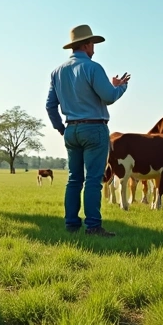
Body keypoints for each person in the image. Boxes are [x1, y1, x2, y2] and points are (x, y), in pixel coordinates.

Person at [46, 24, 130, 237]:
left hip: (70, 130)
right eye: (92, 43)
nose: (94, 47)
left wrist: (60, 128)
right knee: (93, 179)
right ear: (85, 45)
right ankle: (93, 226)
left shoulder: (57, 72)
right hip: (94, 128)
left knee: (74, 179)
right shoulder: (93, 68)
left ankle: (71, 224)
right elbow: (109, 97)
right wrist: (120, 87)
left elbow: (50, 105)